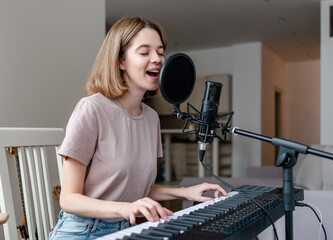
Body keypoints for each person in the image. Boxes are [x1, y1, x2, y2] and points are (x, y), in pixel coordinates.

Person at [48, 17, 227, 239]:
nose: (157, 59)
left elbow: (133, 188)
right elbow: (68, 199)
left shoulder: (151, 118)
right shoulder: (91, 109)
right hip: (84, 231)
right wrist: (124, 207)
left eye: (160, 52)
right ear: (121, 61)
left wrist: (185, 192)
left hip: (126, 229)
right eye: (144, 53)